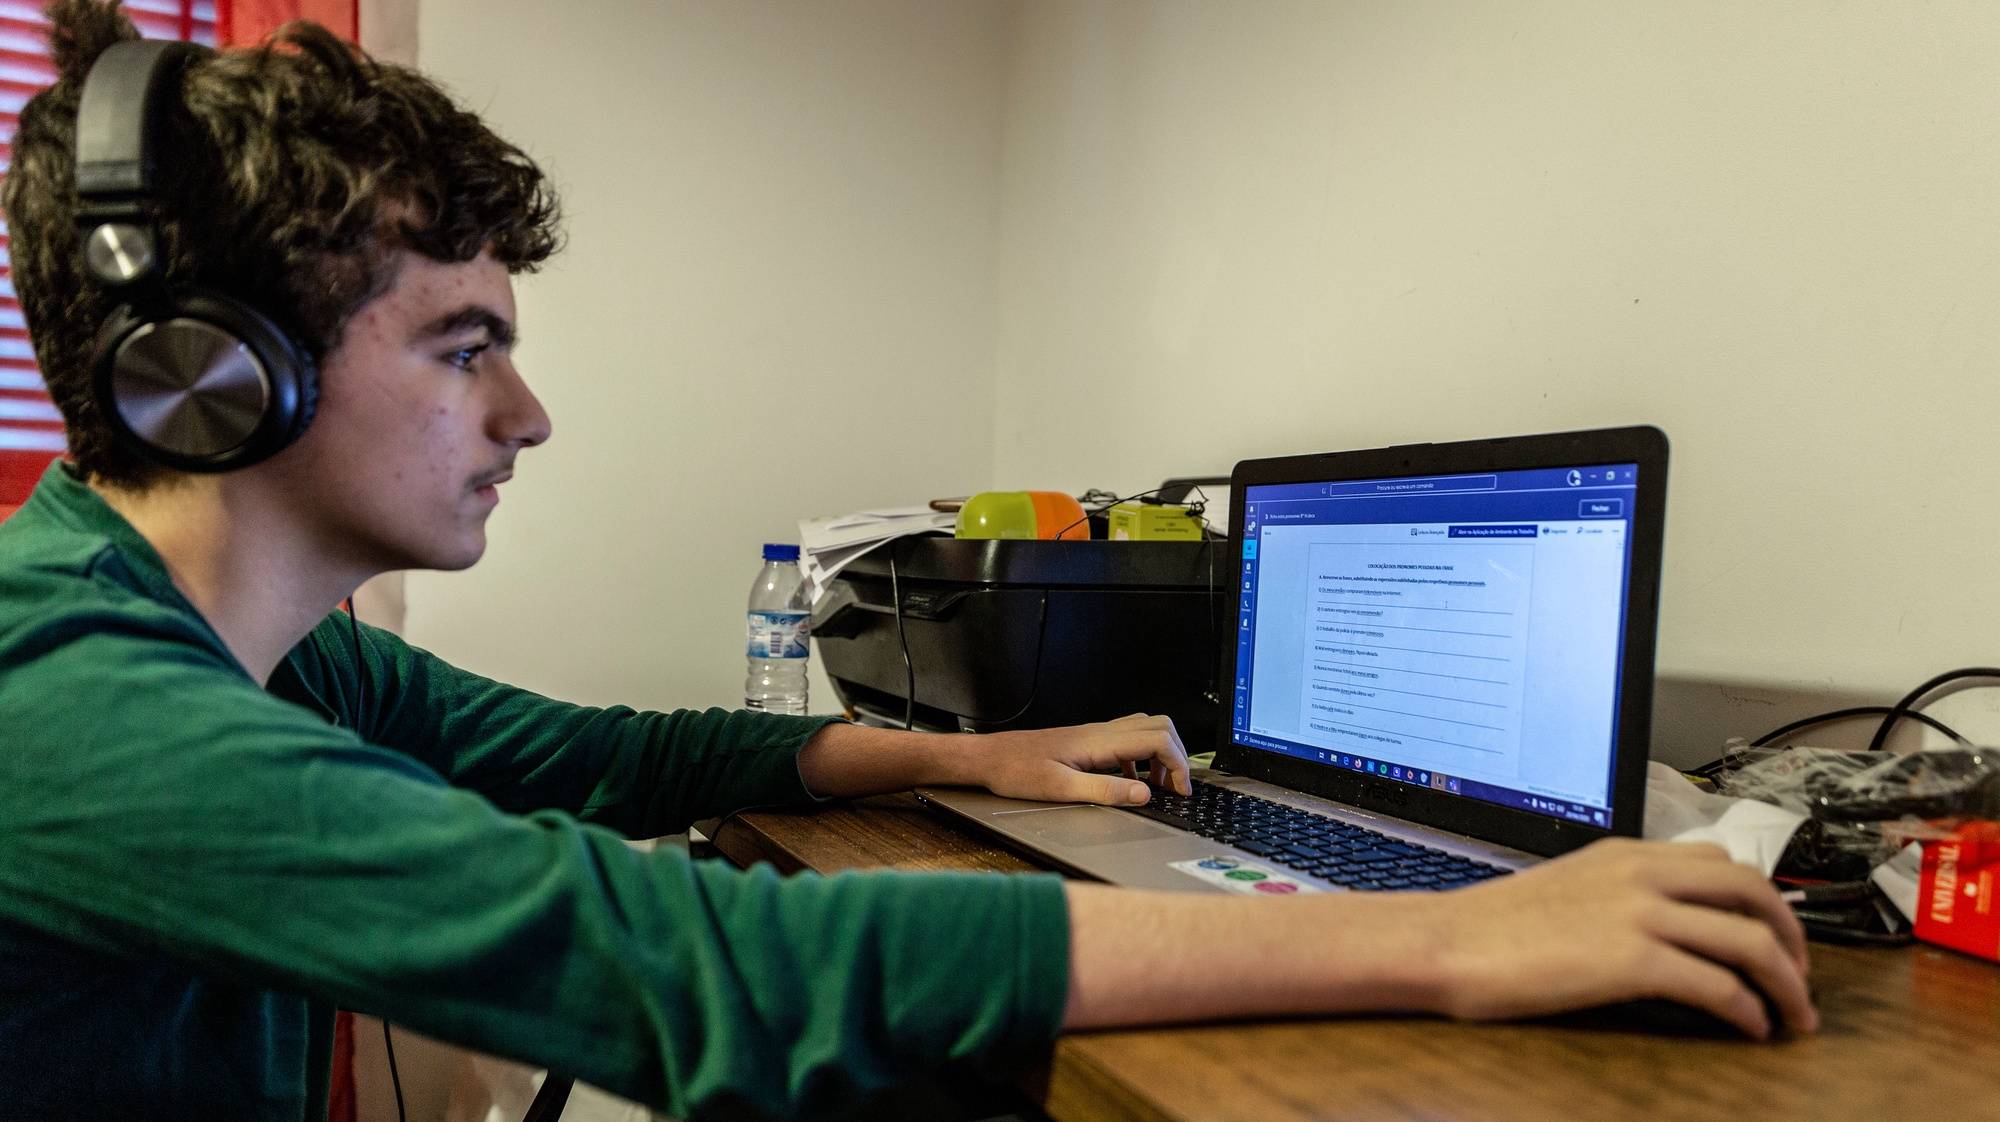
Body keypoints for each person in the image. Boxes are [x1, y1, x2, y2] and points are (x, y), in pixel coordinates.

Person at [0, 3, 1815, 1119]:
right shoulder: (79, 708)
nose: (529, 413)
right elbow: (699, 960)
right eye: (467, 346)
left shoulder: (256, 641)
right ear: (221, 374)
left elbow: (623, 758)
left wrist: (980, 755)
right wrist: (1445, 938)